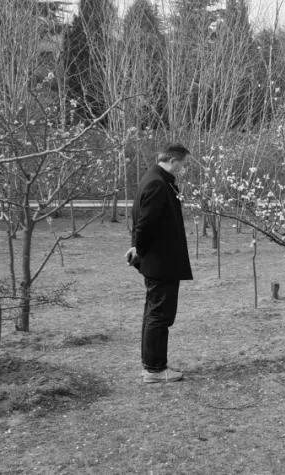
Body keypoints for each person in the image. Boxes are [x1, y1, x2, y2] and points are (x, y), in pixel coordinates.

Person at [125, 143, 193, 383]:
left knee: (154, 313)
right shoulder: (157, 183)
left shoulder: (154, 178)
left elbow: (144, 221)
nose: (183, 170)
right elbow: (145, 223)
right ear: (173, 160)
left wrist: (136, 247)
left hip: (159, 261)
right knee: (159, 315)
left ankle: (151, 366)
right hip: (161, 262)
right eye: (183, 164)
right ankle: (155, 369)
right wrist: (138, 248)